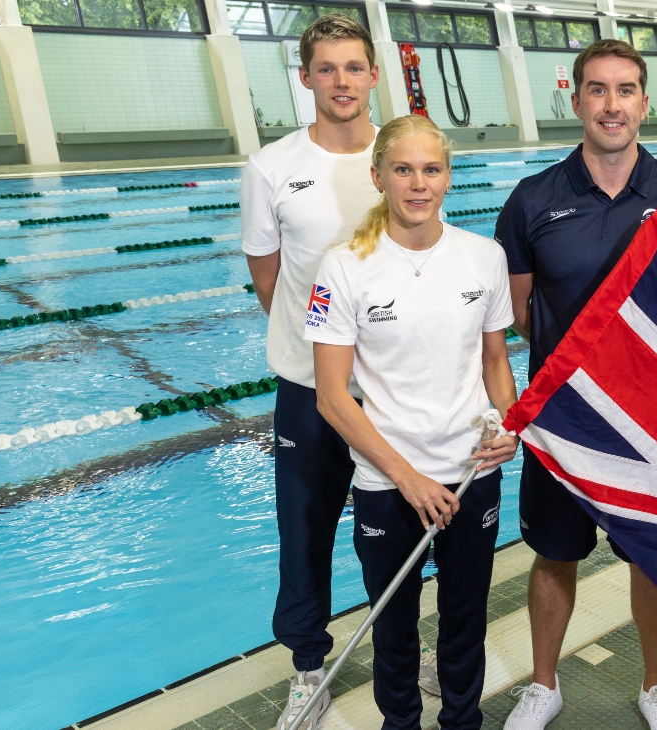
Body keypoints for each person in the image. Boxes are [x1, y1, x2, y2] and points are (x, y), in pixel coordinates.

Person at [496, 39, 657, 730]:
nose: (611, 105)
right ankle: (544, 685)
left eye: (625, 91)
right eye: (598, 89)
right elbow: (519, 312)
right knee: (553, 552)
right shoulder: (533, 200)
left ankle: (656, 685)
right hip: (563, 420)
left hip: (651, 421)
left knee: (651, 556)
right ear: (577, 101)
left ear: (644, 103)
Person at [240, 15, 439, 730]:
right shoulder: (271, 167)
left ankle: (405, 650)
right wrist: (322, 352)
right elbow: (269, 279)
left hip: (393, 392)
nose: (341, 82)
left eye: (354, 67)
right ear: (306, 77)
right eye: (326, 68)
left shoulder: (402, 156)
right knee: (305, 532)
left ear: (374, 75)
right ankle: (307, 668)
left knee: (402, 529)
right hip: (308, 388)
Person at [306, 115, 519, 730]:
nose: (418, 184)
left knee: (465, 619)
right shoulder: (343, 267)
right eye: (403, 169)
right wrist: (407, 478)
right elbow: (331, 398)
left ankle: (462, 721)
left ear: (448, 177)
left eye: (431, 170)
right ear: (378, 177)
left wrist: (509, 426)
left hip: (471, 472)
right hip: (387, 482)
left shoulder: (484, 257)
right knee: (393, 627)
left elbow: (495, 360)